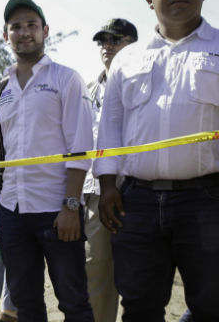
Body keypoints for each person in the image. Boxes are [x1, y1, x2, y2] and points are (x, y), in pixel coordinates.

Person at [95, 0, 219, 322]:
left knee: (212, 307)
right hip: (137, 203)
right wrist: (108, 185)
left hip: (210, 201)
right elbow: (110, 125)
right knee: (140, 308)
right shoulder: (127, 59)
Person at [0, 0, 95, 321]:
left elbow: (79, 148)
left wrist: (71, 206)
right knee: (26, 305)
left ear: (45, 31)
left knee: (73, 303)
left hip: (57, 213)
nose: (23, 32)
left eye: (31, 25)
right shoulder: (1, 89)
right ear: (6, 35)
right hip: (12, 214)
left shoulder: (65, 79)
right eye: (15, 26)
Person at [83, 17, 137, 322]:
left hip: (137, 189)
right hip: (95, 194)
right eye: (103, 41)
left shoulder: (147, 83)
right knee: (96, 273)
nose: (107, 46)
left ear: (132, 45)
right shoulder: (89, 88)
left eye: (115, 40)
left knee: (137, 278)